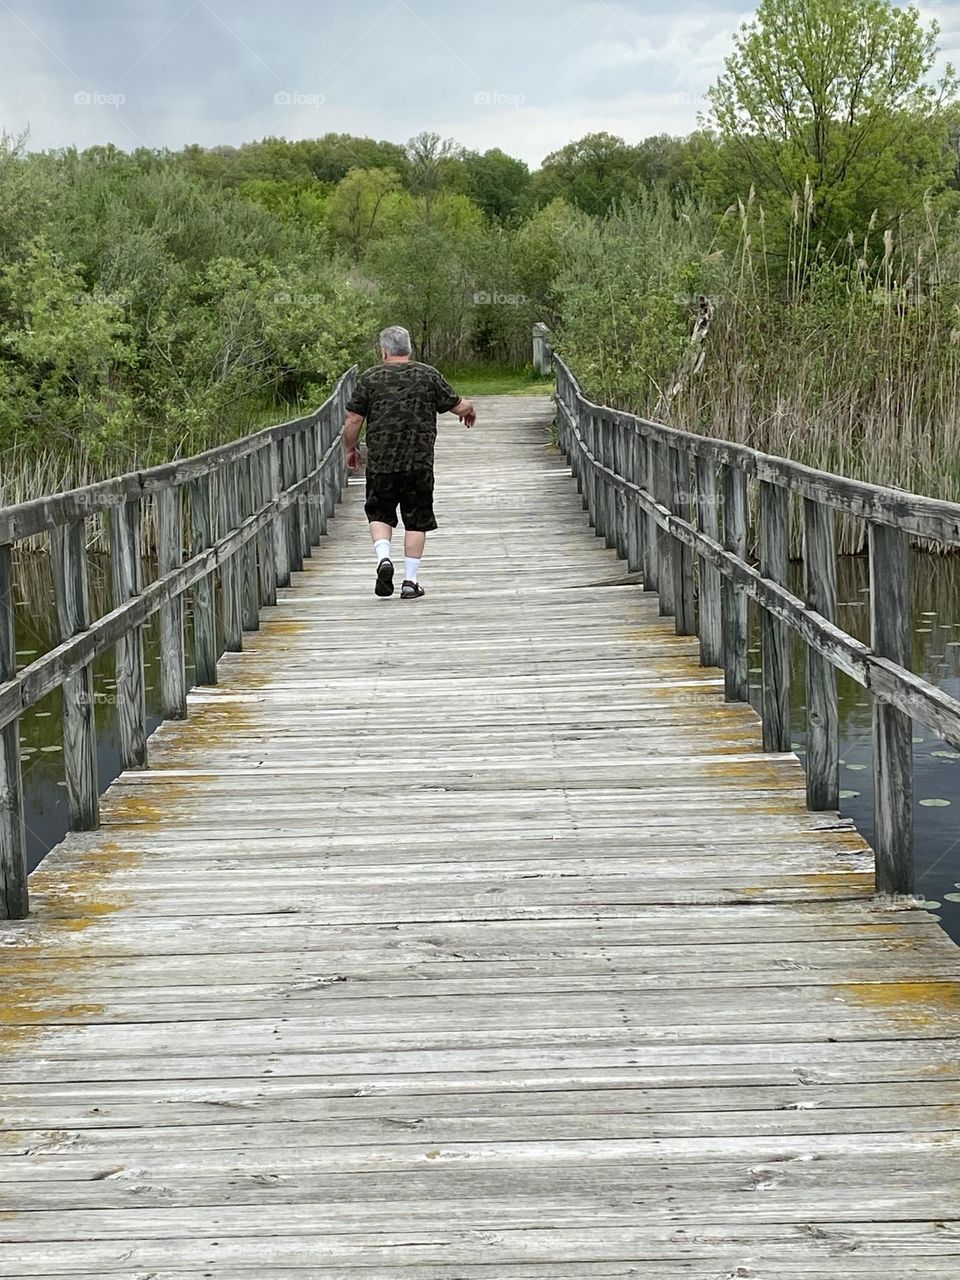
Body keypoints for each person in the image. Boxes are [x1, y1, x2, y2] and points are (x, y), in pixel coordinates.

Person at [343, 325, 476, 599]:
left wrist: (350, 448)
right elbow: (457, 405)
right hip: (419, 463)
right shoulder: (427, 375)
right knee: (416, 519)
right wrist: (469, 408)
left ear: (383, 351)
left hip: (381, 463)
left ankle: (383, 559)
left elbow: (354, 420)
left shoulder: (370, 378)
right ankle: (410, 582)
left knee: (379, 512)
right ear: (409, 348)